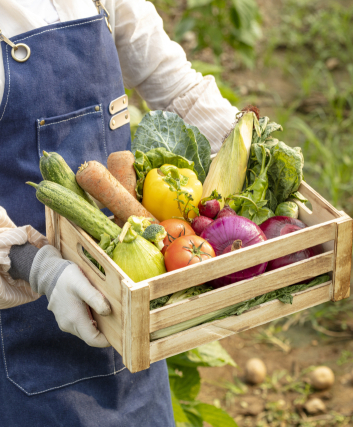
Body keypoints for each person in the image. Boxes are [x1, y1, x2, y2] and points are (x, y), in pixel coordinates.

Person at [0, 0, 238, 424]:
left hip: (135, 295)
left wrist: (245, 147)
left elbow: (177, 88)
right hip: (29, 328)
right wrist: (38, 267)